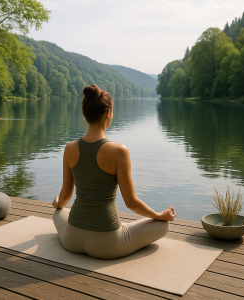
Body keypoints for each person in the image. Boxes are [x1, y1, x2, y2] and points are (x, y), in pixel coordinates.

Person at [52, 84, 176, 259]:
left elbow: (65, 194)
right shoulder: (119, 151)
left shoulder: (69, 148)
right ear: (108, 113)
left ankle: (60, 213)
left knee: (58, 212)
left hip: (71, 239)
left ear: (85, 113)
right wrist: (158, 215)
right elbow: (131, 202)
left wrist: (58, 205)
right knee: (162, 225)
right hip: (107, 244)